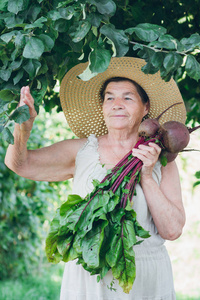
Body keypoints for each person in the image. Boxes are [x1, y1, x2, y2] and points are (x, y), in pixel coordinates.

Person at [5, 57, 186, 299]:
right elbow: (19, 164)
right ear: (102, 107)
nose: (117, 104)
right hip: (89, 278)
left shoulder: (161, 159)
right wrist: (22, 130)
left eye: (127, 97)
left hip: (146, 280)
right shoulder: (81, 151)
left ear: (145, 108)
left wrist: (147, 176)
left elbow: (172, 230)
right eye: (109, 97)